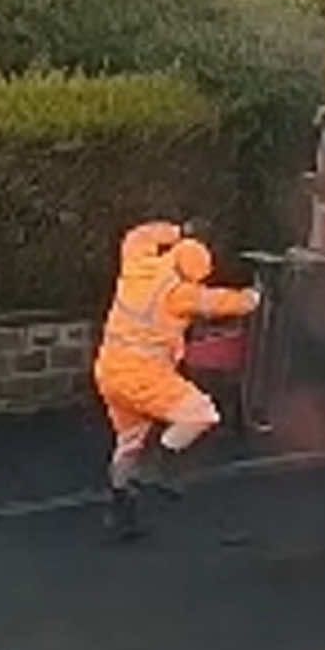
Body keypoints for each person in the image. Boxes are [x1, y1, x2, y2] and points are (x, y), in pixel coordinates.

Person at [92, 219, 261, 542]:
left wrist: (176, 231)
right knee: (201, 414)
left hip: (109, 368)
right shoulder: (178, 293)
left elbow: (137, 234)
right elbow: (218, 303)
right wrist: (253, 299)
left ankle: (120, 510)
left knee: (128, 443)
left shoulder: (137, 263)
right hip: (144, 373)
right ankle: (160, 462)